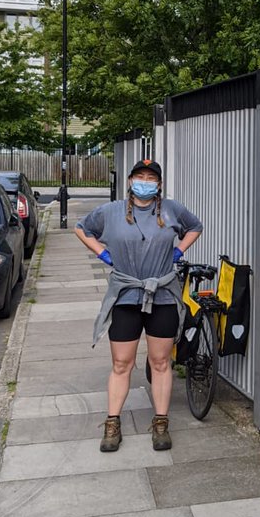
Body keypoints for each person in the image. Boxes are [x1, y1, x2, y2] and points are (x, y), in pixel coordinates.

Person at [74, 158, 202, 453]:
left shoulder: (171, 210)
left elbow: (195, 226)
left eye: (150, 177)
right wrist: (102, 253)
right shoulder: (111, 212)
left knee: (160, 362)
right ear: (130, 181)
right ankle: (112, 423)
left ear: (159, 184)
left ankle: (161, 423)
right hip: (126, 296)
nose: (145, 181)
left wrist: (179, 250)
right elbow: (82, 229)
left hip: (162, 296)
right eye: (140, 176)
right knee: (122, 363)